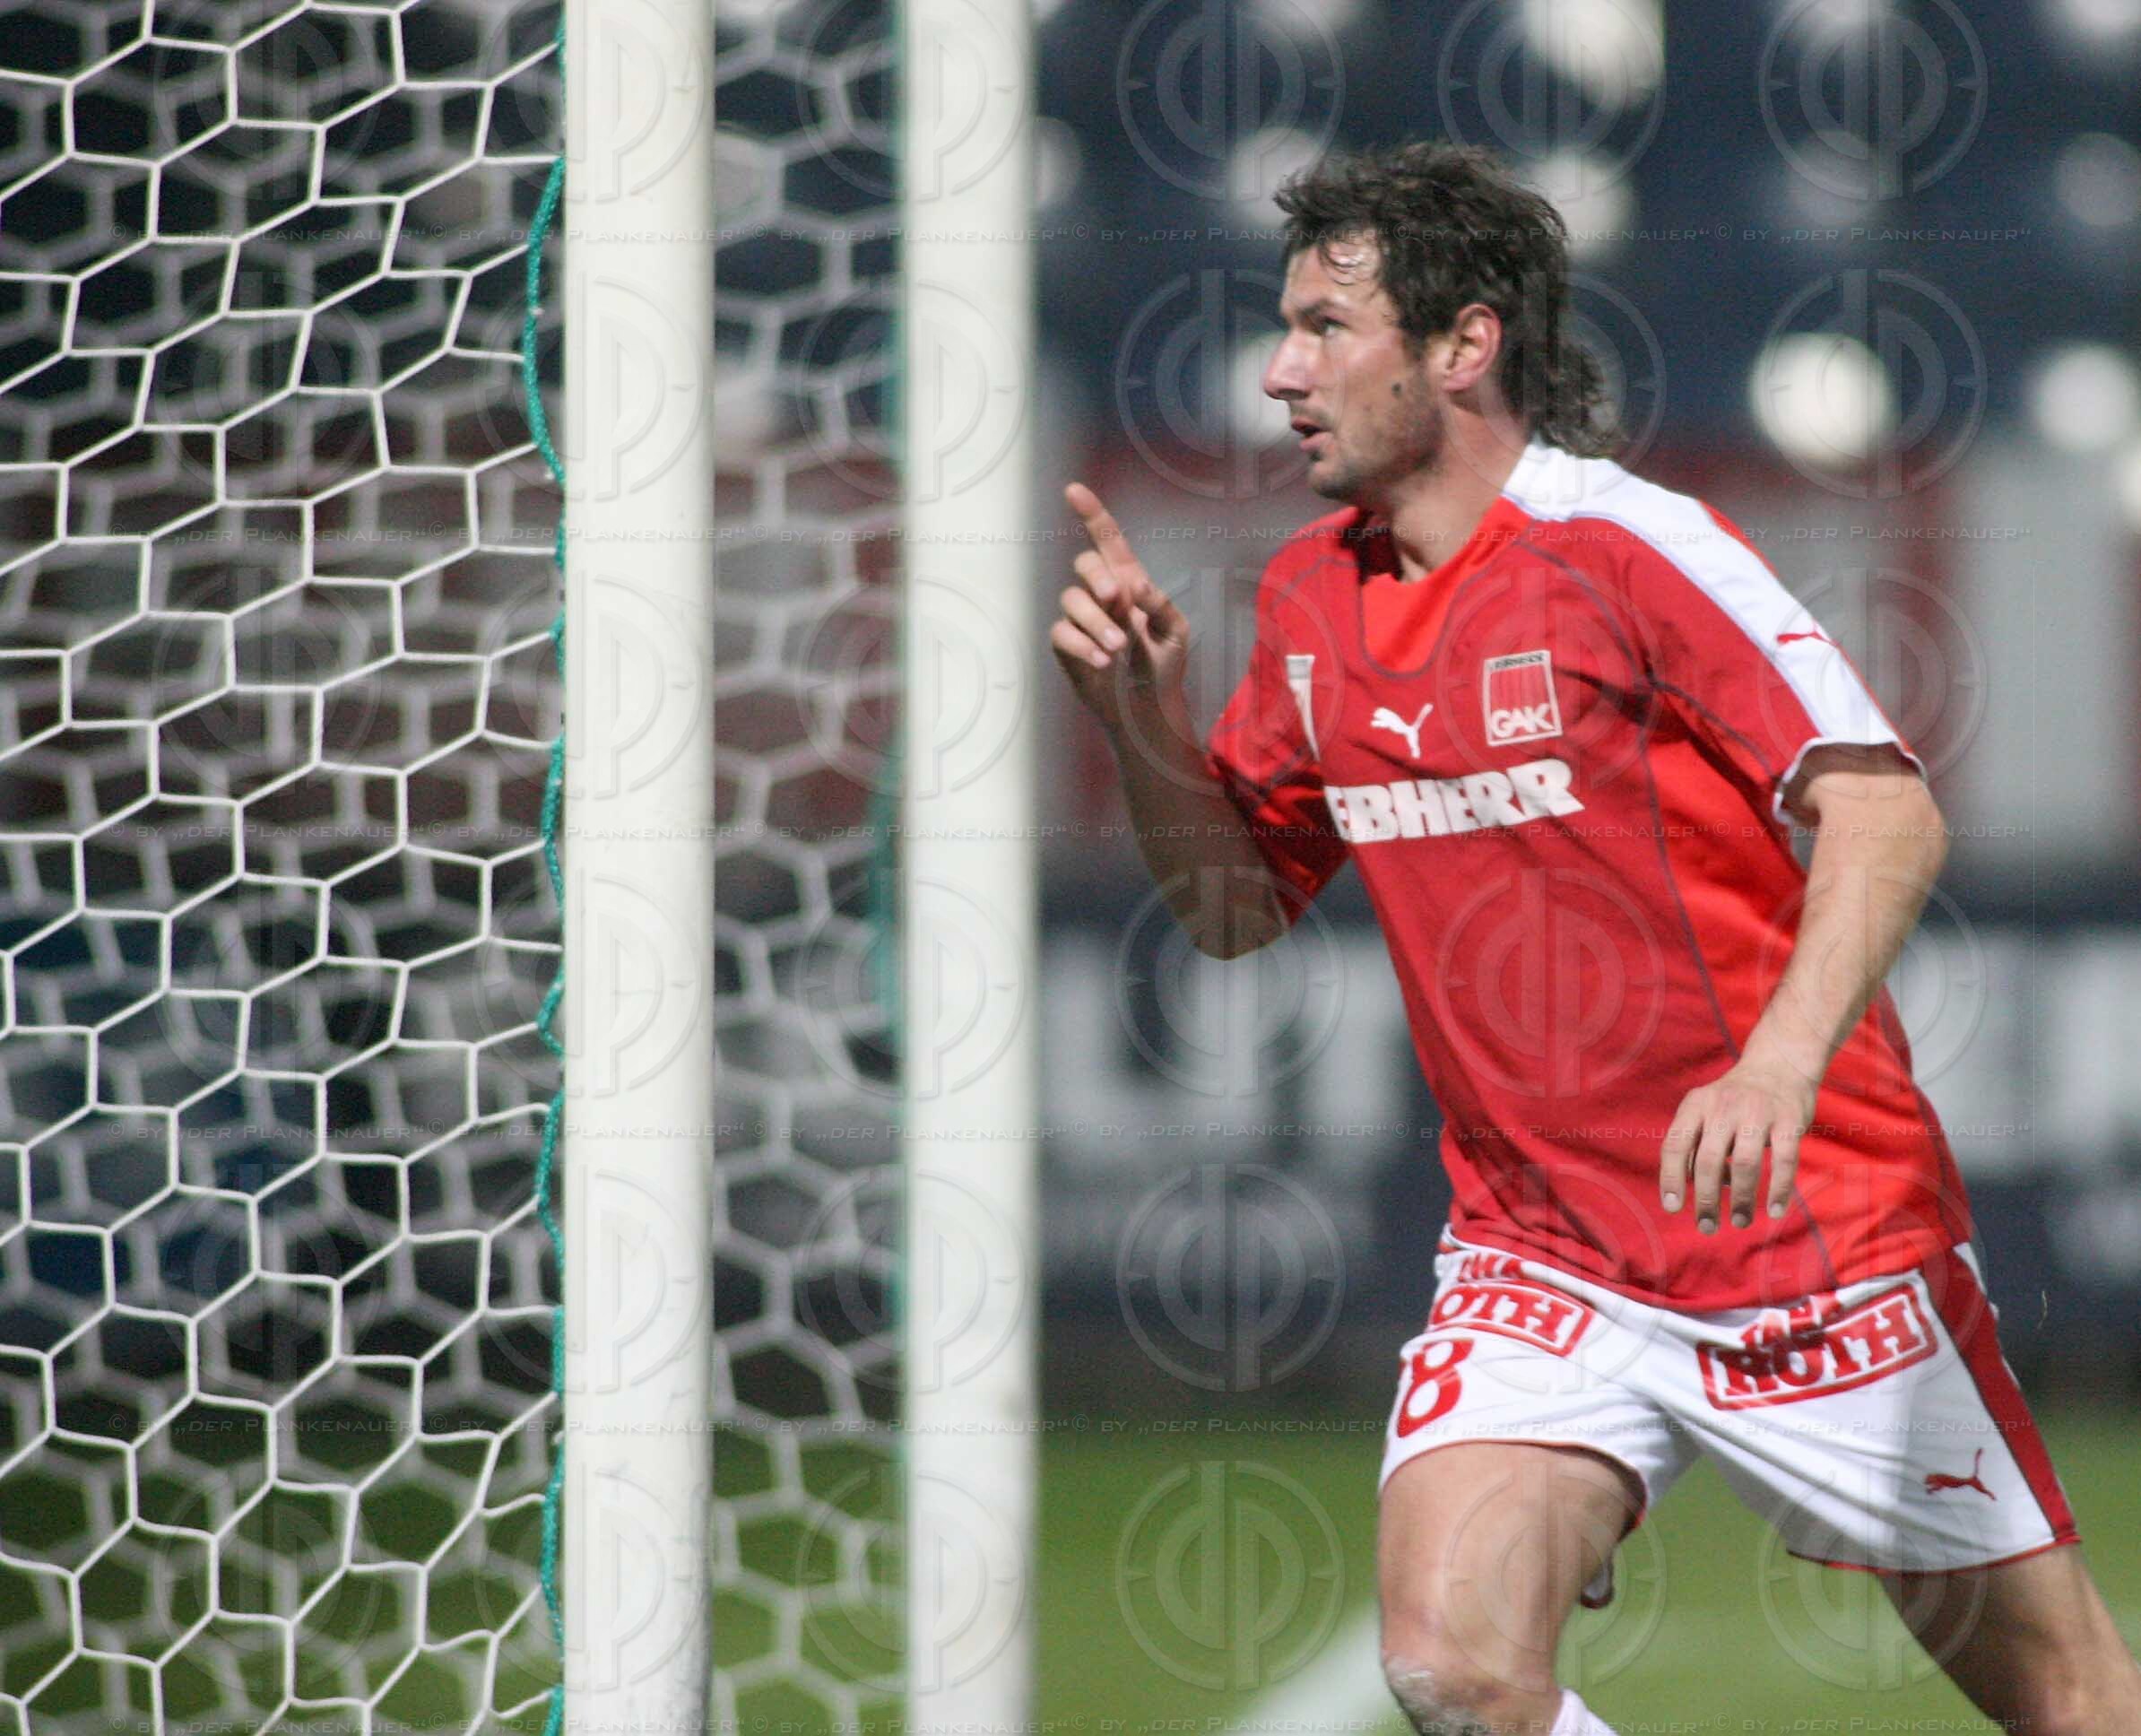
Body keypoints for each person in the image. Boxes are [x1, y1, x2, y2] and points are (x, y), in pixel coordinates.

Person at [1049, 142, 2141, 1736]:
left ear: (1463, 345)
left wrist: (1773, 1072)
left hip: (1803, 1233)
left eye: (1325, 328)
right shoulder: (1307, 600)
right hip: (1539, 1254)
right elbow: (1229, 910)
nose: (1280, 371)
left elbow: (1887, 815)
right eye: (1282, 328)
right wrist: (1146, 725)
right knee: (1457, 1675)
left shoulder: (1631, 549)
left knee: (2072, 1701)